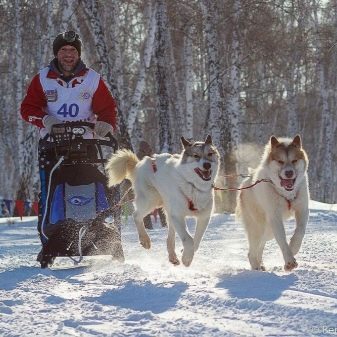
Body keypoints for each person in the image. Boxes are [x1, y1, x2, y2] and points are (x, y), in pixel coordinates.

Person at [20, 30, 118, 264]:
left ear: (78, 54)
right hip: (53, 145)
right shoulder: (42, 78)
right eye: (63, 50)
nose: (68, 55)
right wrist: (44, 120)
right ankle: (51, 241)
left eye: (72, 50)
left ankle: (99, 233)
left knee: (96, 187)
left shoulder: (92, 78)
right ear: (57, 53)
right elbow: (28, 109)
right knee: (51, 192)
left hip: (87, 143)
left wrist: (106, 124)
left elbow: (107, 108)